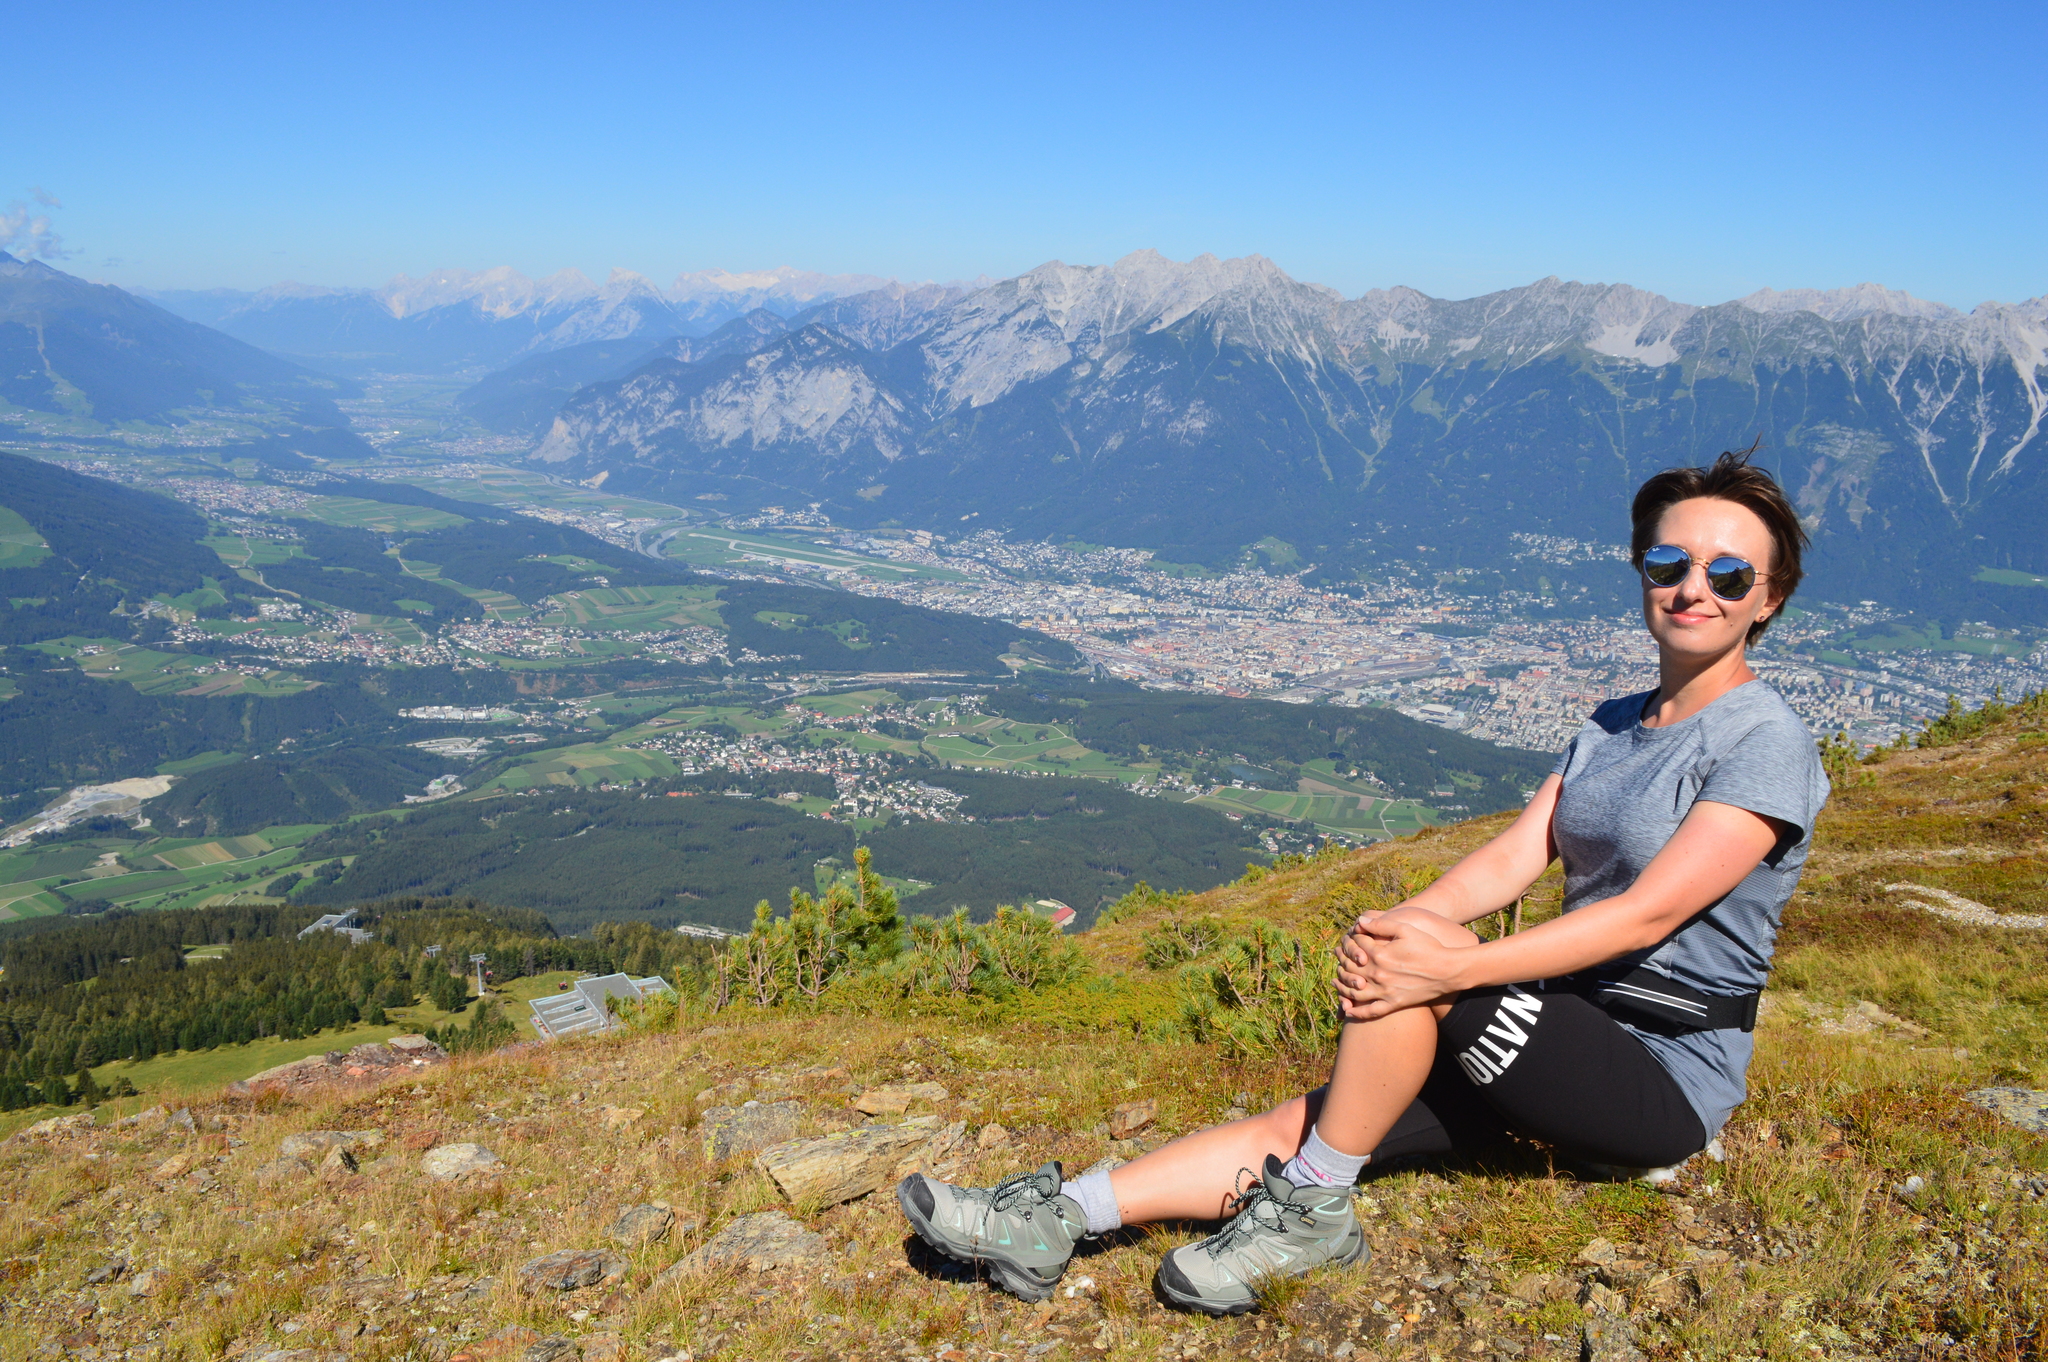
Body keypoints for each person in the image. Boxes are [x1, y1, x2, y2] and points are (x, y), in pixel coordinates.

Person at [896, 446, 1833, 1315]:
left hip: (1660, 1075)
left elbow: (1647, 915)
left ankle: (1312, 1224)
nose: (1691, 590)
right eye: (1669, 564)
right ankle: (1062, 1218)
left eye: (1727, 575)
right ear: (1642, 572)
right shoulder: (1613, 723)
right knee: (1320, 1127)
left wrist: (1448, 969)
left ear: (1768, 599)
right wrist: (1402, 924)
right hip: (1555, 1038)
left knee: (1438, 975)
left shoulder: (1766, 742)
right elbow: (1517, 854)